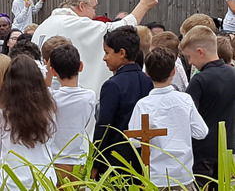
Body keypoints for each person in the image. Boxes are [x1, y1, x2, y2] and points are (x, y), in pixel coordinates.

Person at [32, 0, 158, 96]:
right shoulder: (73, 24)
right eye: (93, 8)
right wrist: (143, 5)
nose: (94, 15)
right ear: (82, 6)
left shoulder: (43, 25)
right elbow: (115, 31)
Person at [128, 46, 208, 190]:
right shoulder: (185, 100)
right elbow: (201, 132)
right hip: (182, 174)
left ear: (147, 73)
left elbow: (134, 140)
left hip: (155, 176)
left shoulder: (143, 104)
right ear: (173, 71)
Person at [92, 26, 153, 179]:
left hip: (115, 159)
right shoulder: (147, 81)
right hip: (143, 157)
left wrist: (95, 162)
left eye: (107, 53)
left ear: (122, 53)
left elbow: (104, 126)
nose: (104, 58)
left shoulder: (112, 85)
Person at [179, 25, 235, 190]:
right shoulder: (233, 74)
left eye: (189, 56)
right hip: (227, 149)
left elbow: (185, 113)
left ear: (200, 52)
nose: (189, 62)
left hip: (202, 152)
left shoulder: (199, 80)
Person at [0, 55, 57, 189]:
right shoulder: (49, 109)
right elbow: (52, 140)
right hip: (43, 177)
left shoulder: (3, 113)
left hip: (11, 178)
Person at [49, 44, 95, 184]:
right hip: (79, 163)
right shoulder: (90, 96)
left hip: (55, 162)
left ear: (53, 71)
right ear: (81, 66)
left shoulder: (51, 97)